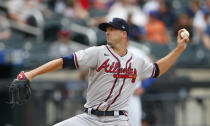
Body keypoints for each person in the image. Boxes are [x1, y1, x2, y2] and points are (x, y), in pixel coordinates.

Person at [16, 18, 189, 126]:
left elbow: (157, 70)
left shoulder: (137, 60)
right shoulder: (97, 52)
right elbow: (63, 61)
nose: (107, 32)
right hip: (89, 118)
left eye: (112, 29)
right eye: (106, 29)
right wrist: (31, 74)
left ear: (123, 34)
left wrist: (179, 49)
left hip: (117, 121)